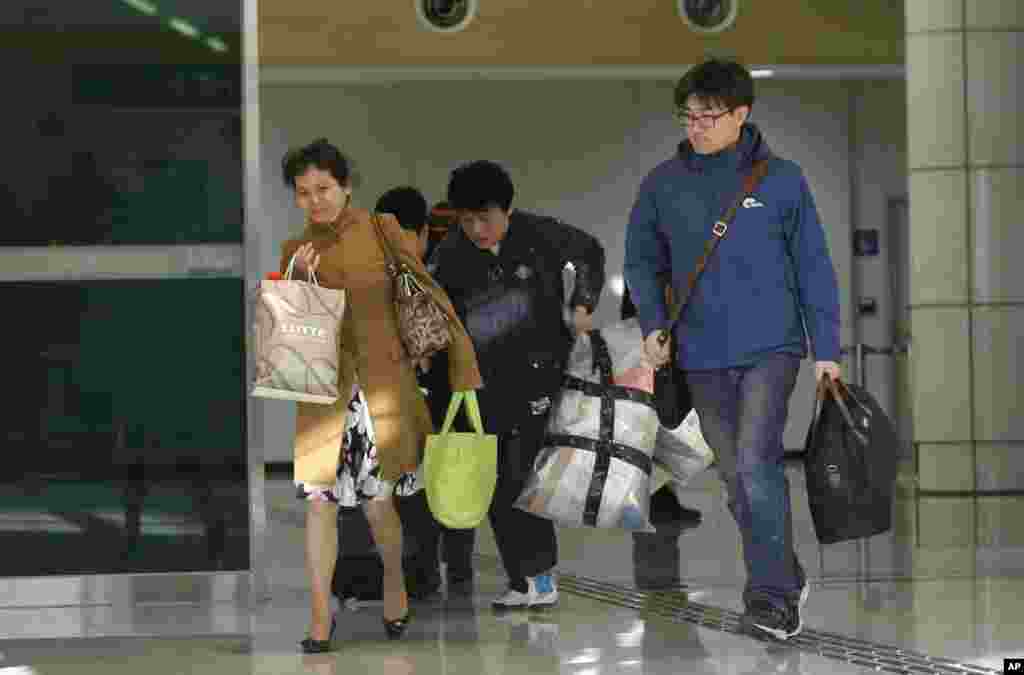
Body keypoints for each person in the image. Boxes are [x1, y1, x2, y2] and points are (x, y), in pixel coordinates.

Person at [624, 60, 841, 641]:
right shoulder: (663, 184)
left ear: (742, 115)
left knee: (755, 462)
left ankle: (771, 599)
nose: (695, 127)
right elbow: (643, 262)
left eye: (708, 117)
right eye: (688, 116)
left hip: (771, 347)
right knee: (735, 479)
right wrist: (651, 323)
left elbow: (813, 268)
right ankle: (784, 573)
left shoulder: (782, 180)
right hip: (700, 353)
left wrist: (828, 349)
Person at [277, 138, 482, 652]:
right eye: (303, 193)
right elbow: (288, 345)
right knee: (319, 505)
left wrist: (460, 363)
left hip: (381, 388)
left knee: (376, 504)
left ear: (346, 186)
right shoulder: (293, 252)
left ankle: (395, 580)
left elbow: (423, 293)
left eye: (323, 188)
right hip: (322, 394)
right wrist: (297, 282)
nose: (315, 200)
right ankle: (320, 617)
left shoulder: (381, 230)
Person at [426, 160, 605, 609]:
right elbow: (434, 310)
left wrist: (582, 302)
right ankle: (523, 579)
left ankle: (539, 576)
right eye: (466, 220)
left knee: (520, 475)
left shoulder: (539, 233)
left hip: (540, 374)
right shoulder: (451, 253)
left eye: (485, 218)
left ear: (507, 210)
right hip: (483, 383)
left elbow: (589, 252)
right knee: (495, 483)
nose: (476, 229)